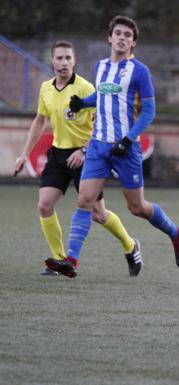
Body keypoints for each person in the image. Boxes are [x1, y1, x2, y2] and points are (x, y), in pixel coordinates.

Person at [44, 15, 179, 278]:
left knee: (138, 208)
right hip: (98, 146)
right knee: (84, 200)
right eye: (118, 33)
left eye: (128, 35)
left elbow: (149, 111)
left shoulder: (140, 71)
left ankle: (176, 233)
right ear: (109, 37)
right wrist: (83, 103)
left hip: (125, 149)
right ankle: (71, 261)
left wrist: (128, 138)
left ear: (133, 43)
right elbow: (102, 95)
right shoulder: (100, 67)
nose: (122, 38)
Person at [14, 40, 141, 277]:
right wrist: (24, 154)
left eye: (68, 58)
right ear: (51, 61)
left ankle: (130, 245)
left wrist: (83, 150)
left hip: (87, 155)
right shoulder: (46, 88)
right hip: (57, 154)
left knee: (98, 214)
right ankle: (61, 260)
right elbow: (40, 121)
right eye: (59, 58)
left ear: (75, 61)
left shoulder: (86, 88)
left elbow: (104, 123)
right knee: (44, 205)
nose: (63, 63)